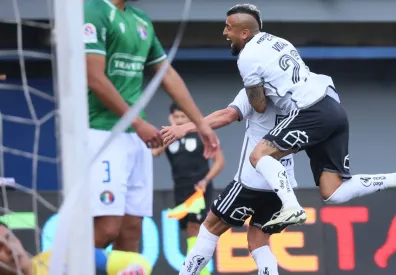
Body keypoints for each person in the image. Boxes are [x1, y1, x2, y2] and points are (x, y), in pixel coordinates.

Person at [222, 4, 396, 233]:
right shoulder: (277, 41)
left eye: (228, 28)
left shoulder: (246, 57)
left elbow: (260, 106)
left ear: (244, 33)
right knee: (332, 192)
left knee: (259, 155)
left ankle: (291, 206)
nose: (225, 33)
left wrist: (254, 91)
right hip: (333, 108)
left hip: (311, 110)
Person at [83, 0, 220, 252]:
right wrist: (136, 122)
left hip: (136, 139)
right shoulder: (92, 10)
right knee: (106, 229)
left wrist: (201, 123)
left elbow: (166, 74)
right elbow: (94, 77)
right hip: (101, 133)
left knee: (131, 231)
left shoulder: (141, 20)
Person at [161, 89, 297, 275]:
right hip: (282, 185)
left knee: (209, 229)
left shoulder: (254, 90)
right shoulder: (298, 94)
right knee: (258, 242)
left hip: (252, 181)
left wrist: (184, 127)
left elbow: (227, 115)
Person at [152, 103, 224, 275]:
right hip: (181, 189)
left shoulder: (202, 134)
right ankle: (195, 269)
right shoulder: (169, 137)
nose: (179, 120)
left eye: (183, 117)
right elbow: (155, 152)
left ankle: (200, 271)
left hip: (200, 188)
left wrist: (206, 180)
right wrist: (173, 130)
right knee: (190, 231)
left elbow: (220, 162)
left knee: (198, 227)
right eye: (176, 117)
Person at [0, 222, 151, 275]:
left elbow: (137, 262)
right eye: (0, 247)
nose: (9, 248)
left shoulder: (60, 259)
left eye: (9, 238)